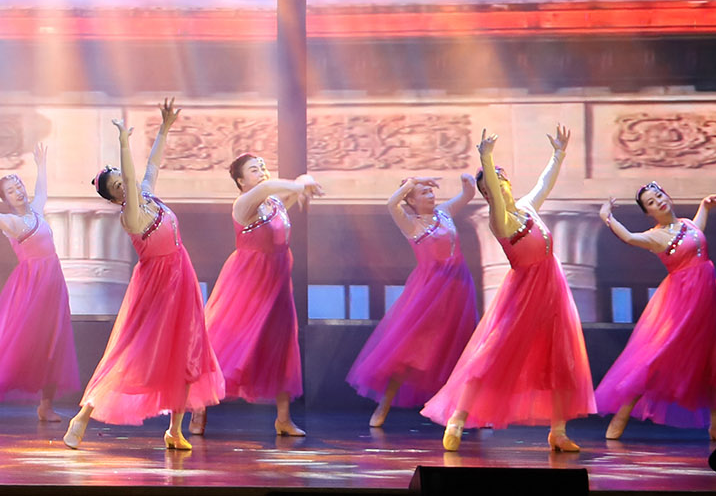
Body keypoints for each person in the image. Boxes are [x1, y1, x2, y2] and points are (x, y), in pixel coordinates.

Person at [62, 101, 225, 451]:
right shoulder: (131, 216)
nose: (127, 185)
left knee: (189, 351)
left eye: (124, 180)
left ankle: (174, 429)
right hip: (157, 287)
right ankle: (83, 416)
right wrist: (123, 143)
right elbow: (133, 175)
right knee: (132, 352)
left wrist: (164, 127)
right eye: (119, 185)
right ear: (115, 197)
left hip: (182, 278)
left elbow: (152, 164)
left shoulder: (149, 195)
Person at [422, 128, 595, 453]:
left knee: (560, 361)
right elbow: (495, 194)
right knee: (490, 355)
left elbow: (544, 184)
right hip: (523, 295)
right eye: (491, 185)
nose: (499, 185)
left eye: (501, 180)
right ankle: (457, 418)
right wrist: (486, 158)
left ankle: (558, 432)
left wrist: (558, 155)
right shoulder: (500, 221)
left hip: (552, 292)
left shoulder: (527, 207)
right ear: (488, 195)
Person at [190, 152, 322, 436]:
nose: (261, 171)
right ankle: (199, 403)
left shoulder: (274, 203)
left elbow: (287, 190)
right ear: (240, 181)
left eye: (262, 166)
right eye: (253, 169)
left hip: (277, 281)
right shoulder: (244, 203)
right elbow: (272, 187)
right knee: (225, 341)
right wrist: (300, 184)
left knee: (282, 344)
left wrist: (303, 183)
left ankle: (283, 419)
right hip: (248, 281)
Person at [595, 185, 716, 441]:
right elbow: (629, 237)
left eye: (659, 196)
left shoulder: (686, 224)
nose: (658, 202)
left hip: (707, 301)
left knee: (714, 359)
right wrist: (607, 217)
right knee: (658, 357)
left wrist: (704, 206)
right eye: (651, 202)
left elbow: (696, 233)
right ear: (648, 212)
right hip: (683, 302)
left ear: (667, 196)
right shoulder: (656, 236)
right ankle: (622, 415)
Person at [0, 142, 78, 423]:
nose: (18, 191)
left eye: (18, 185)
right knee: (7, 342)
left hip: (53, 285)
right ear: (6, 199)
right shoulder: (10, 222)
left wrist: (41, 164)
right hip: (30, 287)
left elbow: (42, 190)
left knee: (53, 342)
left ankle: (45, 406)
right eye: (11, 190)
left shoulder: (37, 211)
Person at [345, 174, 480, 428]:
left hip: (459, 287)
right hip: (430, 292)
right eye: (423, 193)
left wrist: (467, 184)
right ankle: (383, 405)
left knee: (462, 347)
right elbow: (391, 204)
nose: (430, 195)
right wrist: (412, 182)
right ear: (412, 201)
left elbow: (467, 196)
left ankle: (466, 411)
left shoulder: (444, 213)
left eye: (430, 191)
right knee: (410, 351)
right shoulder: (410, 224)